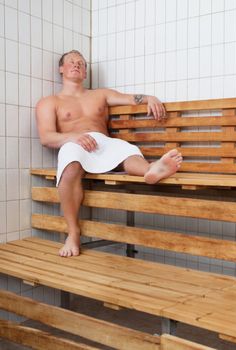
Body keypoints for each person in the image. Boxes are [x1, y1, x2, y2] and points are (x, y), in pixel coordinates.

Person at [36, 50, 183, 258]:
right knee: (70, 167)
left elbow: (130, 99)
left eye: (81, 63)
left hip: (103, 142)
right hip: (73, 143)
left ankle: (152, 169)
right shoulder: (50, 102)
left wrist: (149, 97)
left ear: (85, 72)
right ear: (61, 69)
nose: (76, 64)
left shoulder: (100, 94)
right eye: (71, 61)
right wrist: (73, 137)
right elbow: (47, 137)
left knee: (127, 152)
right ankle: (73, 232)